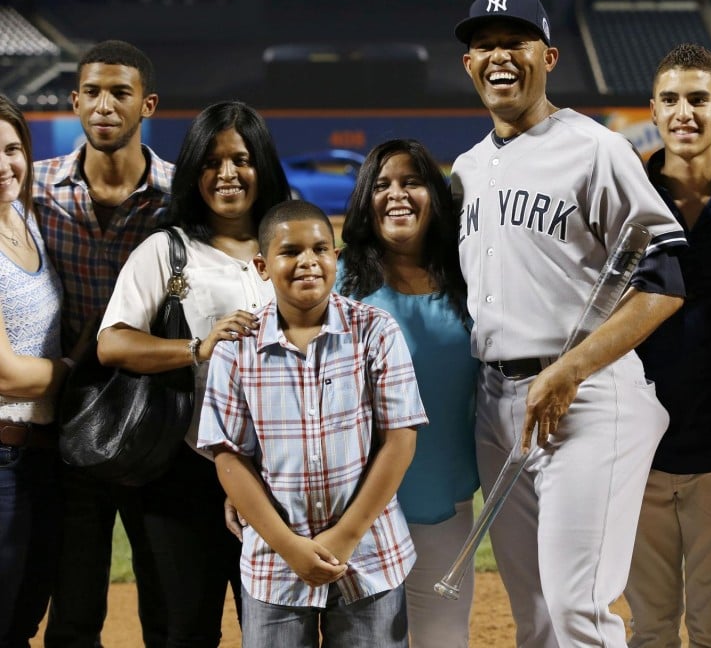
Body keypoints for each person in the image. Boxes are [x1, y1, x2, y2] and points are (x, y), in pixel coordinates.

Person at [452, 0, 688, 647]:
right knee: (535, 619)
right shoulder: (468, 169)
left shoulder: (595, 149)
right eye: (485, 46)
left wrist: (572, 370)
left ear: (548, 56)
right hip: (497, 407)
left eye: (516, 42)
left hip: (586, 401)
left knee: (577, 610)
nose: (500, 55)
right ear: (470, 65)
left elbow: (665, 280)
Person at [96, 100, 291, 646]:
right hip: (184, 470)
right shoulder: (170, 249)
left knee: (275, 627)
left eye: (241, 159)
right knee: (184, 629)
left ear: (263, 167)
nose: (226, 174)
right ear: (192, 172)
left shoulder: (289, 245)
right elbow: (112, 342)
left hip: (277, 472)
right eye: (211, 161)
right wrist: (195, 348)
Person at [197, 200, 427, 648]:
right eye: (290, 252)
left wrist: (345, 536)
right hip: (275, 562)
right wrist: (289, 546)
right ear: (262, 266)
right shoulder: (237, 348)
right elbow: (228, 455)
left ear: (335, 259)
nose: (307, 261)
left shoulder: (375, 332)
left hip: (370, 554)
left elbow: (400, 440)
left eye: (320, 249)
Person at [623, 43, 711, 648]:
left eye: (699, 99)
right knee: (650, 631)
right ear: (652, 111)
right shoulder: (624, 194)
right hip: (634, 454)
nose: (685, 112)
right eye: (672, 100)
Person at [33, 39, 173, 648]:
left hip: (161, 413)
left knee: (169, 608)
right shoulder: (33, 190)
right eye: (92, 92)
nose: (104, 106)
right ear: (74, 100)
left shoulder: (180, 194)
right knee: (74, 609)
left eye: (120, 93)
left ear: (148, 105)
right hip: (67, 414)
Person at [335, 138, 478, 648]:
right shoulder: (338, 279)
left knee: (444, 638)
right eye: (381, 185)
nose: (396, 195)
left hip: (445, 497)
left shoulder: (468, 276)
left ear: (433, 196)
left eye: (411, 182)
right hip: (354, 503)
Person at [0, 95, 74, 646]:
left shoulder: (25, 218)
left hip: (43, 456)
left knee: (25, 618)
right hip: (2, 460)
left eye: (11, 149)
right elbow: (5, 376)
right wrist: (79, 369)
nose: (4, 166)